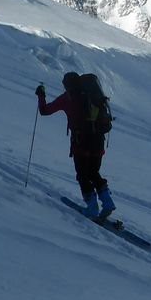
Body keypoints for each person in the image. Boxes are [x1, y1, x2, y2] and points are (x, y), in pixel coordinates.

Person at [37, 71, 115, 219]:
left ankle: (92, 208)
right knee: (93, 172)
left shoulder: (67, 98)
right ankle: (108, 202)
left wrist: (41, 95)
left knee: (82, 175)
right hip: (98, 141)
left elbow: (44, 111)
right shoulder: (93, 97)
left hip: (81, 143)